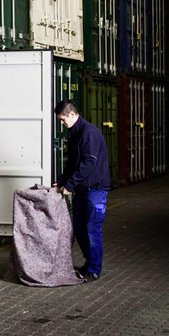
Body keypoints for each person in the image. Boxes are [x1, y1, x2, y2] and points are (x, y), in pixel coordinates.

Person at [53, 99, 110, 281]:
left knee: (92, 229)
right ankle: (89, 262)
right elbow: (72, 163)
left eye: (63, 119)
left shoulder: (89, 133)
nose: (62, 123)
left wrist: (70, 185)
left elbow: (88, 164)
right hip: (82, 189)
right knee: (79, 228)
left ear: (72, 114)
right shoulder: (75, 134)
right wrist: (61, 181)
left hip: (96, 190)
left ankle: (94, 269)